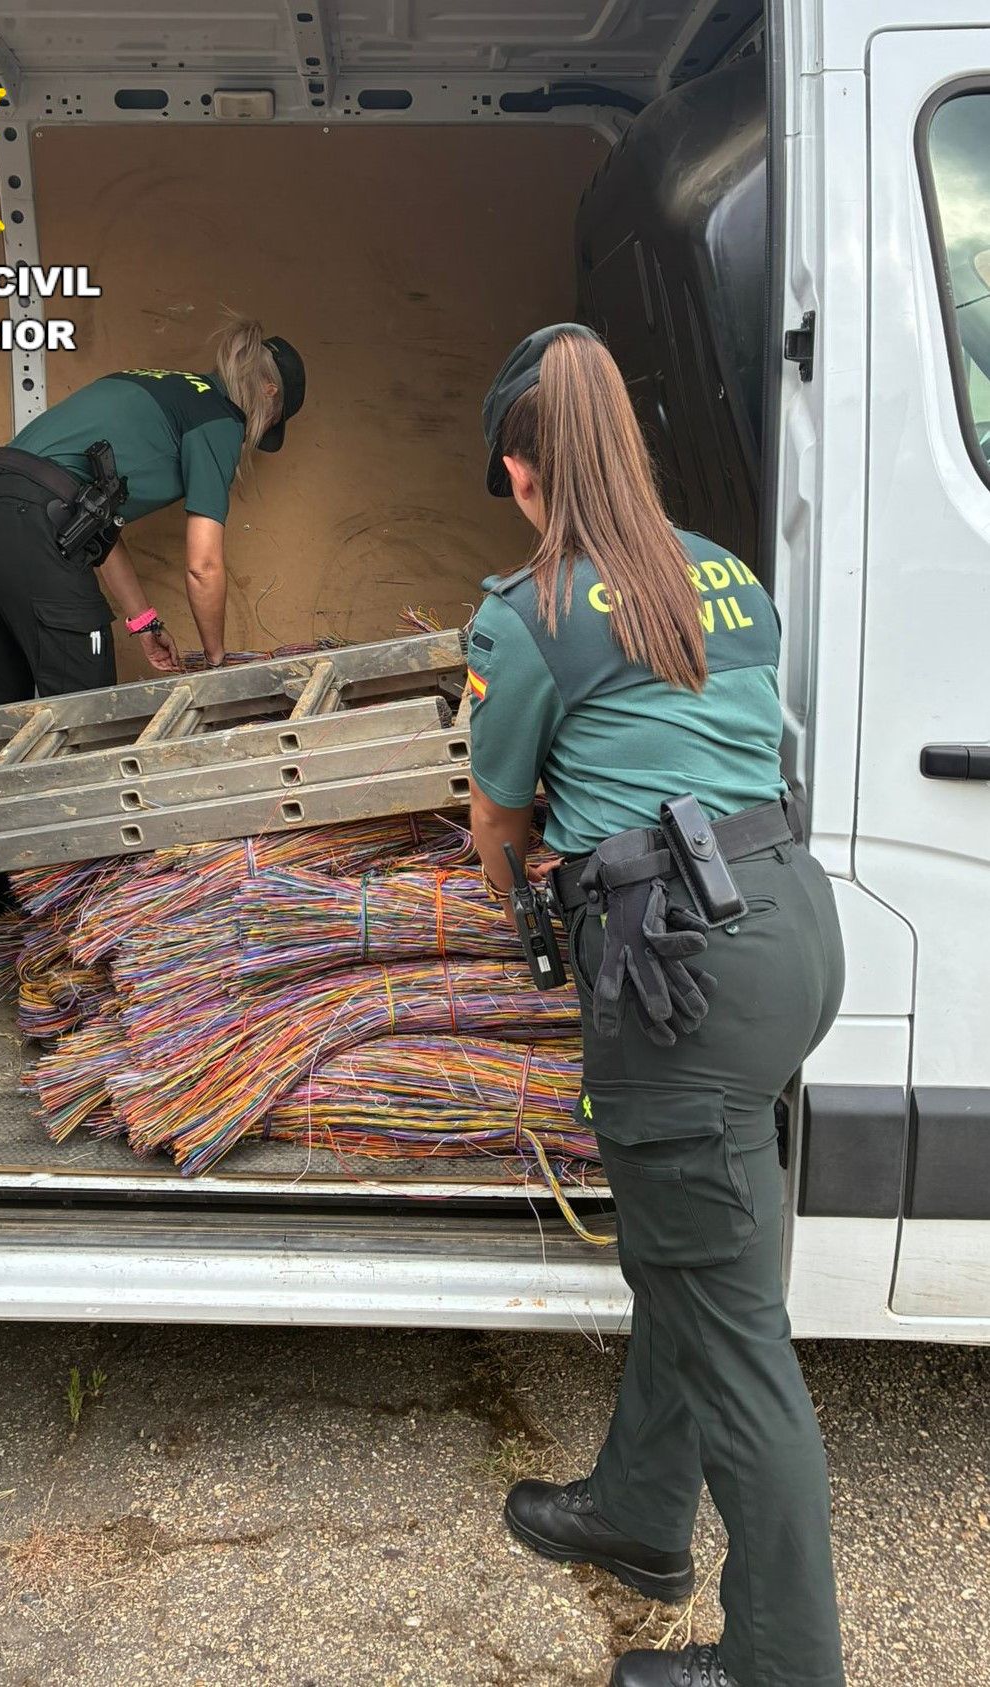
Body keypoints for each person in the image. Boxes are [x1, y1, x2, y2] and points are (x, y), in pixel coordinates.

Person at [468, 325, 846, 1687]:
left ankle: (781, 1665)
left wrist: (512, 855)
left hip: (677, 974)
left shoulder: (524, 612)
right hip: (786, 928)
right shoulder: (729, 575)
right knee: (690, 1268)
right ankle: (636, 1512)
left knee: (734, 1332)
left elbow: (495, 821)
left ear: (521, 470)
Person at [0, 314, 304, 917]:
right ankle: (72, 910)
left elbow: (92, 525)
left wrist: (142, 624)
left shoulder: (161, 388)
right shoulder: (217, 418)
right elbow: (204, 565)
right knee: (86, 716)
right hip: (33, 522)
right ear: (269, 395)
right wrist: (214, 664)